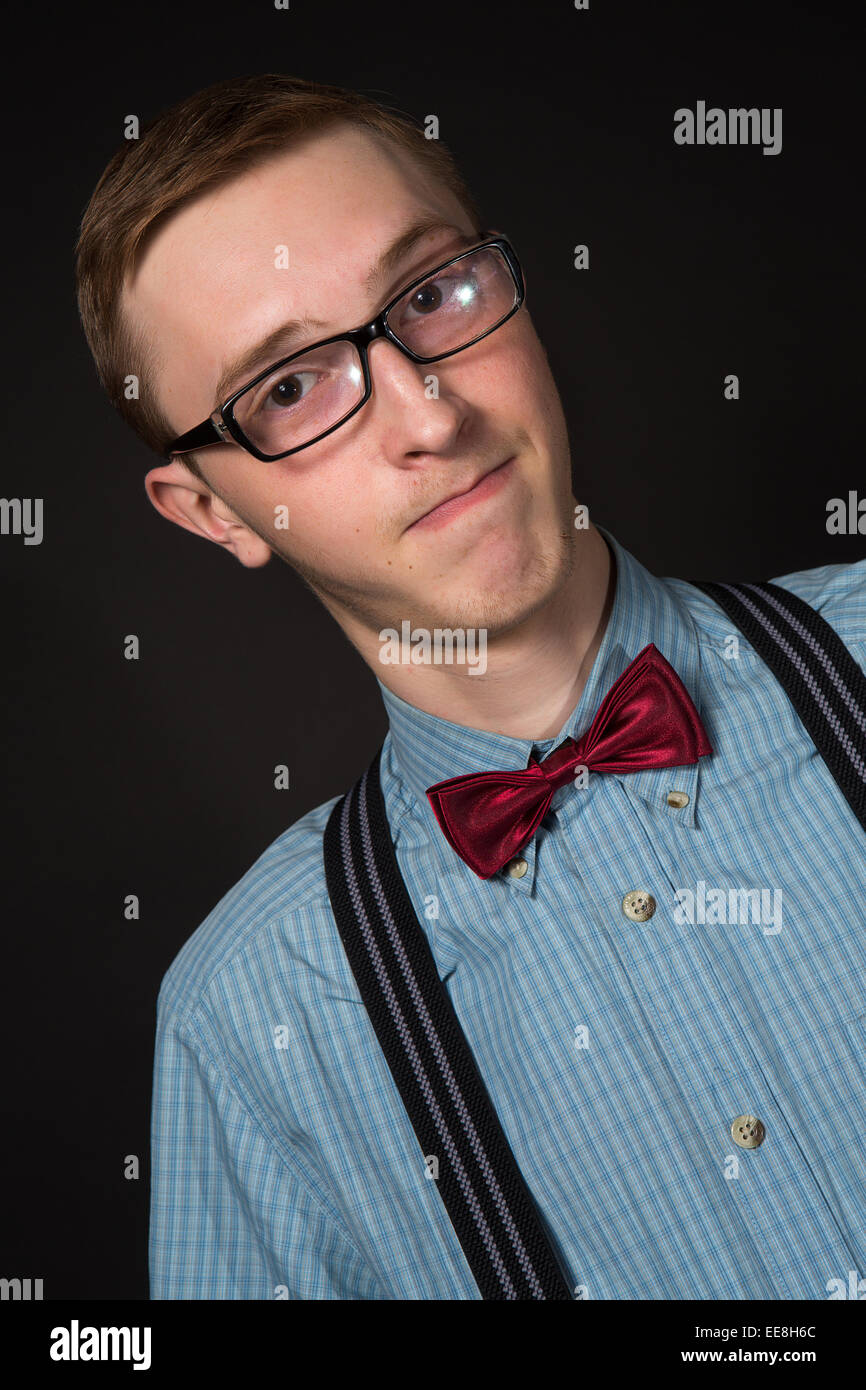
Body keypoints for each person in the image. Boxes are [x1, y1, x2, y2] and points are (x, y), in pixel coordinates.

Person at [75, 72, 866, 1301]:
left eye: (432, 295)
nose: (426, 413)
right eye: (288, 387)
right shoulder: (249, 1024)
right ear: (210, 509)